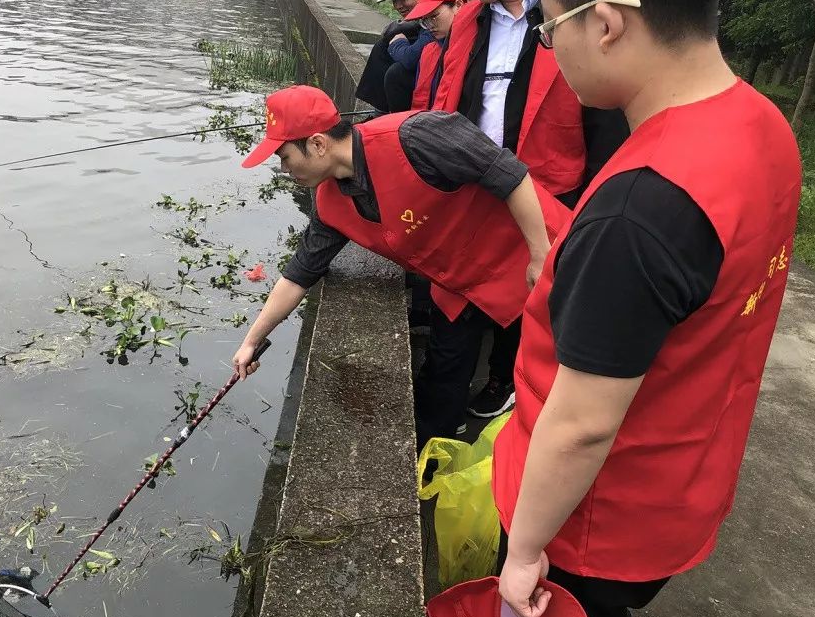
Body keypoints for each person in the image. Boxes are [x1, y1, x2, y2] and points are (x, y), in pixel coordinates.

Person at [491, 0, 802, 617]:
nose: (550, 51)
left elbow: (582, 425)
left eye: (549, 28)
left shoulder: (641, 207)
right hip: (682, 481)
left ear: (606, 22)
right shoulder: (762, 126)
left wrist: (524, 550)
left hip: (591, 520)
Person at [230, 86, 572, 454]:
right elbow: (300, 273)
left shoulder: (417, 136)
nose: (284, 169)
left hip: (533, 253)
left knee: (559, 365)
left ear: (317, 144)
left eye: (284, 157)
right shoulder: (331, 204)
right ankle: (435, 455)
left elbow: (508, 173)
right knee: (442, 378)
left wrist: (541, 255)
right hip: (461, 283)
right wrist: (251, 341)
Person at [416, 0, 629, 434]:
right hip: (470, 201)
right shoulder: (468, 21)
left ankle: (501, 388)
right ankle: (435, 434)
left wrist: (589, 214)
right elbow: (446, 103)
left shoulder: (573, 15)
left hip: (546, 197)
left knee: (529, 313)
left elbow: (603, 125)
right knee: (453, 318)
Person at [355, 0, 437, 114]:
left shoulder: (435, 20)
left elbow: (410, 58)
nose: (398, 6)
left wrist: (398, 44)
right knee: (381, 48)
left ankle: (394, 122)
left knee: (397, 74)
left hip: (434, 78)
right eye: (394, 0)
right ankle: (379, 112)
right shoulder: (424, 19)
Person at [400, 0, 468, 110]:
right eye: (425, 20)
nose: (430, 26)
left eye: (434, 16)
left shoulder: (475, 48)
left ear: (458, 5)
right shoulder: (429, 51)